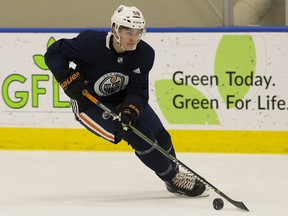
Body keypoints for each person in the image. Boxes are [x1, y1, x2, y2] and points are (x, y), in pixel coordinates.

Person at [44, 5, 206, 197]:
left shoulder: (144, 54)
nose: (133, 38)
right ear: (114, 29)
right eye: (128, 32)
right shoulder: (89, 43)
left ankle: (173, 172)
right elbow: (54, 52)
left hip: (123, 99)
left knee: (161, 135)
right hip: (89, 104)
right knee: (139, 135)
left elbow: (138, 90)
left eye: (138, 32)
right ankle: (172, 177)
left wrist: (130, 110)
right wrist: (66, 77)